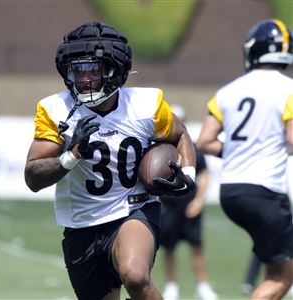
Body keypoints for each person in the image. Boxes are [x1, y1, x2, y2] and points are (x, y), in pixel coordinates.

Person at [24, 21, 197, 300]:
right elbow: (32, 177)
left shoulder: (146, 105)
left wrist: (188, 172)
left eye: (93, 68)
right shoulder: (55, 110)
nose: (84, 79)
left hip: (132, 210)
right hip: (81, 222)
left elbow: (180, 135)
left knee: (135, 275)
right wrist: (71, 155)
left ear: (115, 69)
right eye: (77, 70)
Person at [197, 18, 293, 300]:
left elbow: (205, 141)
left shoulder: (228, 91)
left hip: (232, 192)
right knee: (283, 276)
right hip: (266, 193)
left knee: (271, 267)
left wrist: (240, 151)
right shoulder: (289, 89)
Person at [160, 105, 218, 300]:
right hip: (167, 207)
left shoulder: (190, 148)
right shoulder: (159, 150)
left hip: (189, 205)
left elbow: (205, 174)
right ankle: (171, 286)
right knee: (168, 248)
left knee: (197, 247)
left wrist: (199, 201)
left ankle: (203, 286)